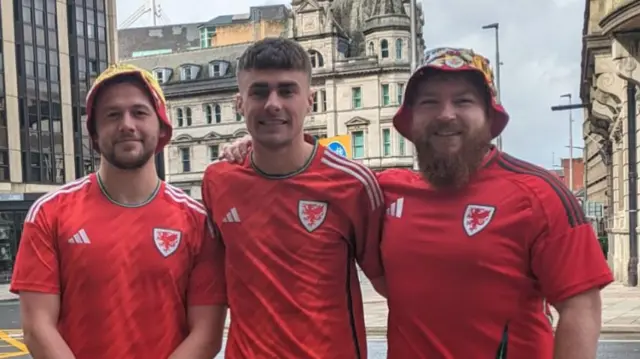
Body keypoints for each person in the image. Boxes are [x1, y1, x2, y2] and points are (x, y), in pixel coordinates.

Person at [219, 47, 612, 358]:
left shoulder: (540, 192)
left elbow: (581, 309)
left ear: (490, 116)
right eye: (428, 104)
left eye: (462, 101)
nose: (445, 115)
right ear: (410, 120)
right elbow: (313, 178)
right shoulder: (383, 190)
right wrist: (250, 145)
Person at [10, 64, 227, 359]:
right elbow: (37, 327)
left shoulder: (197, 221)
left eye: (139, 112)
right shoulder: (49, 214)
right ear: (95, 135)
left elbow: (206, 333)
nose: (126, 125)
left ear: (162, 127)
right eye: (112, 115)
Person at [201, 38, 385, 359]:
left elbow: (393, 287)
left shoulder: (352, 184)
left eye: (287, 91)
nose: (273, 103)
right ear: (239, 103)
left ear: (310, 101)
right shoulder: (218, 181)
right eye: (259, 92)